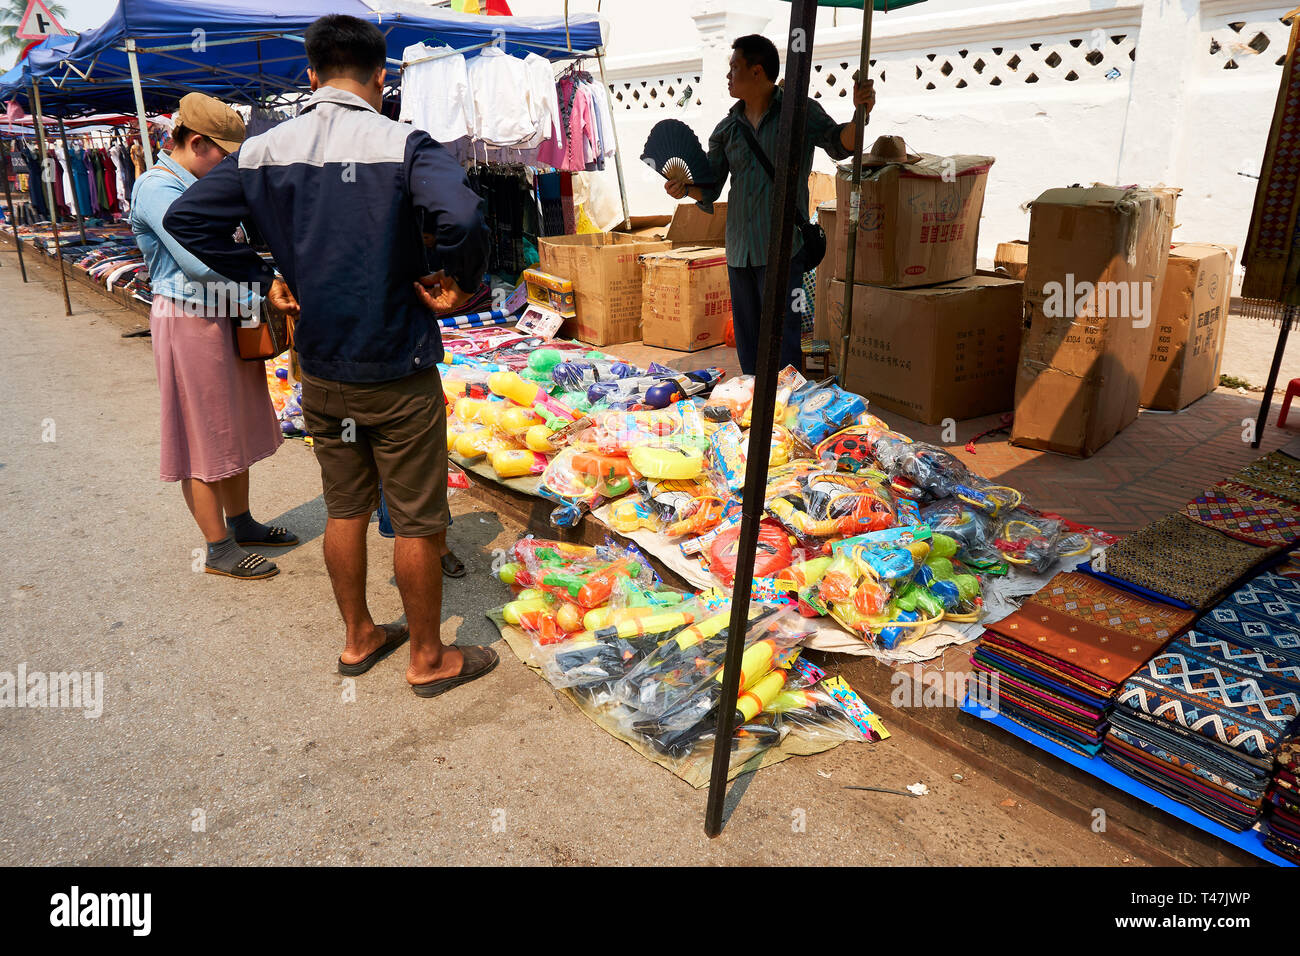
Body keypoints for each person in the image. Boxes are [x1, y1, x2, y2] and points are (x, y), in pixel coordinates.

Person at [163, 14, 494, 697]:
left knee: (344, 508)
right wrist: (461, 285)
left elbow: (186, 219)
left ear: (310, 76)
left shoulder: (259, 150)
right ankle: (428, 658)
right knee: (416, 518)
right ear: (381, 77)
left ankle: (358, 638)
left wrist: (260, 276)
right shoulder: (404, 143)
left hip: (319, 369)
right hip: (397, 366)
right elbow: (461, 217)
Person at [129, 92, 297, 582]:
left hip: (224, 314)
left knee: (233, 424)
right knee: (200, 434)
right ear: (197, 142)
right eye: (223, 156)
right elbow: (197, 265)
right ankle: (217, 546)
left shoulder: (195, 184)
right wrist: (264, 289)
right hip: (189, 320)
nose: (228, 167)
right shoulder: (157, 187)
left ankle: (241, 522)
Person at [666, 34, 876, 376]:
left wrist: (860, 113)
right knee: (748, 342)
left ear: (757, 71)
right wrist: (684, 189)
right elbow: (711, 188)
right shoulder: (726, 130)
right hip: (739, 251)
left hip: (783, 249)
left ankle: (786, 409)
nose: (728, 75)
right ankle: (755, 405)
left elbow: (841, 144)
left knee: (784, 337)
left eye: (734, 67)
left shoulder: (799, 112)